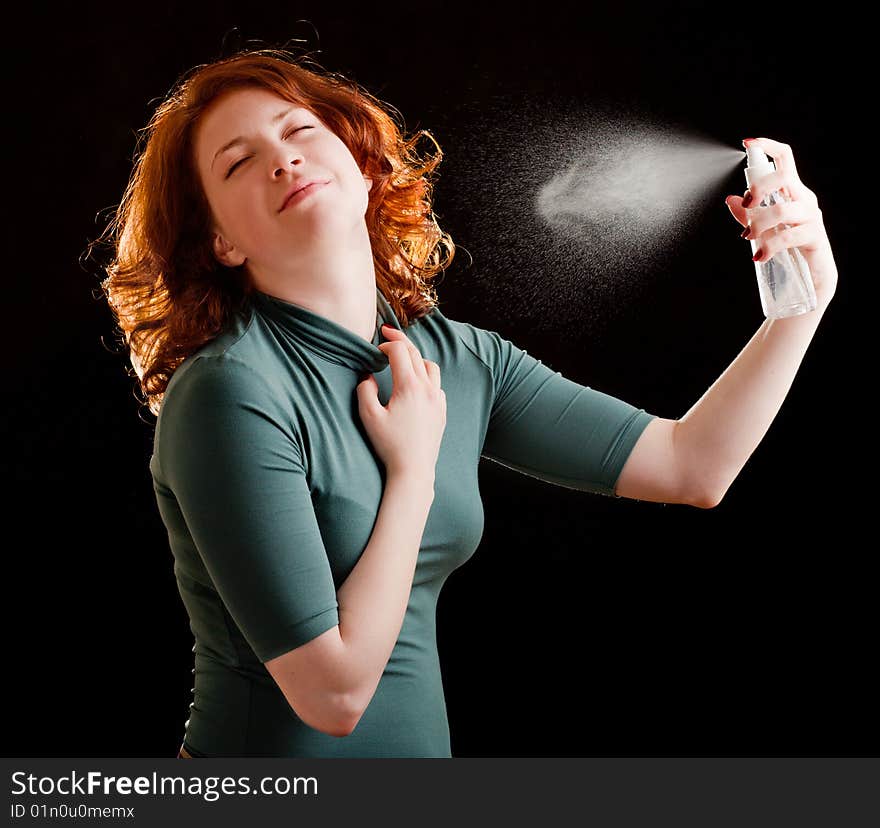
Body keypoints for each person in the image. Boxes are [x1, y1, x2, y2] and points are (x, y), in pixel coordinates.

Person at [95, 48, 838, 758]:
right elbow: (333, 696)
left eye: (298, 131)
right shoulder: (228, 393)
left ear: (362, 167)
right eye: (239, 162)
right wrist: (412, 473)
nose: (282, 159)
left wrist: (801, 303)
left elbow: (691, 466)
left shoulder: (455, 357)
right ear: (221, 241)